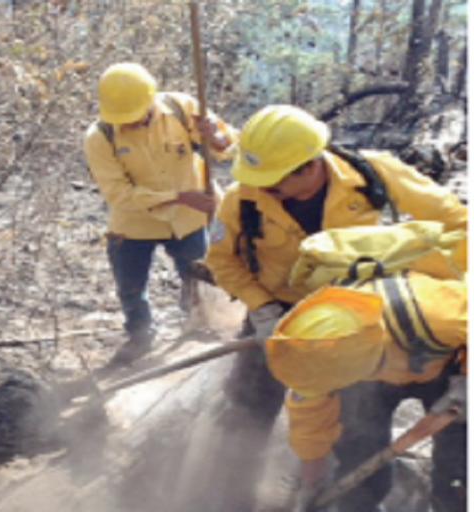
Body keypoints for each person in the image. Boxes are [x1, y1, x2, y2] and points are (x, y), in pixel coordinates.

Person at [201, 104, 467, 509]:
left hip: (375, 315)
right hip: (285, 315)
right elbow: (221, 260)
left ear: (308, 167)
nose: (261, 189)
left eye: (272, 182)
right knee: (248, 407)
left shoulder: (372, 174)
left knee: (453, 452)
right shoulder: (244, 199)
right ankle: (228, 496)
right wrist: (263, 311)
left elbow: (459, 222)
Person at [266, 271, 467, 512]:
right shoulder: (313, 359)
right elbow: (310, 428)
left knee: (459, 461)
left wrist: (466, 385)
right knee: (358, 457)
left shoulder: (435, 311)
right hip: (381, 375)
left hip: (450, 371)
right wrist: (313, 483)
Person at [83, 62, 237, 366]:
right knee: (131, 287)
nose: (130, 124)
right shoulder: (99, 137)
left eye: (136, 116)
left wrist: (216, 139)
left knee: (199, 280)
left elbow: (229, 147)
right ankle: (140, 336)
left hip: (190, 220)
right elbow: (118, 195)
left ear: (151, 99)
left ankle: (197, 331)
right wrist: (179, 198)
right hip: (133, 224)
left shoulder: (183, 108)